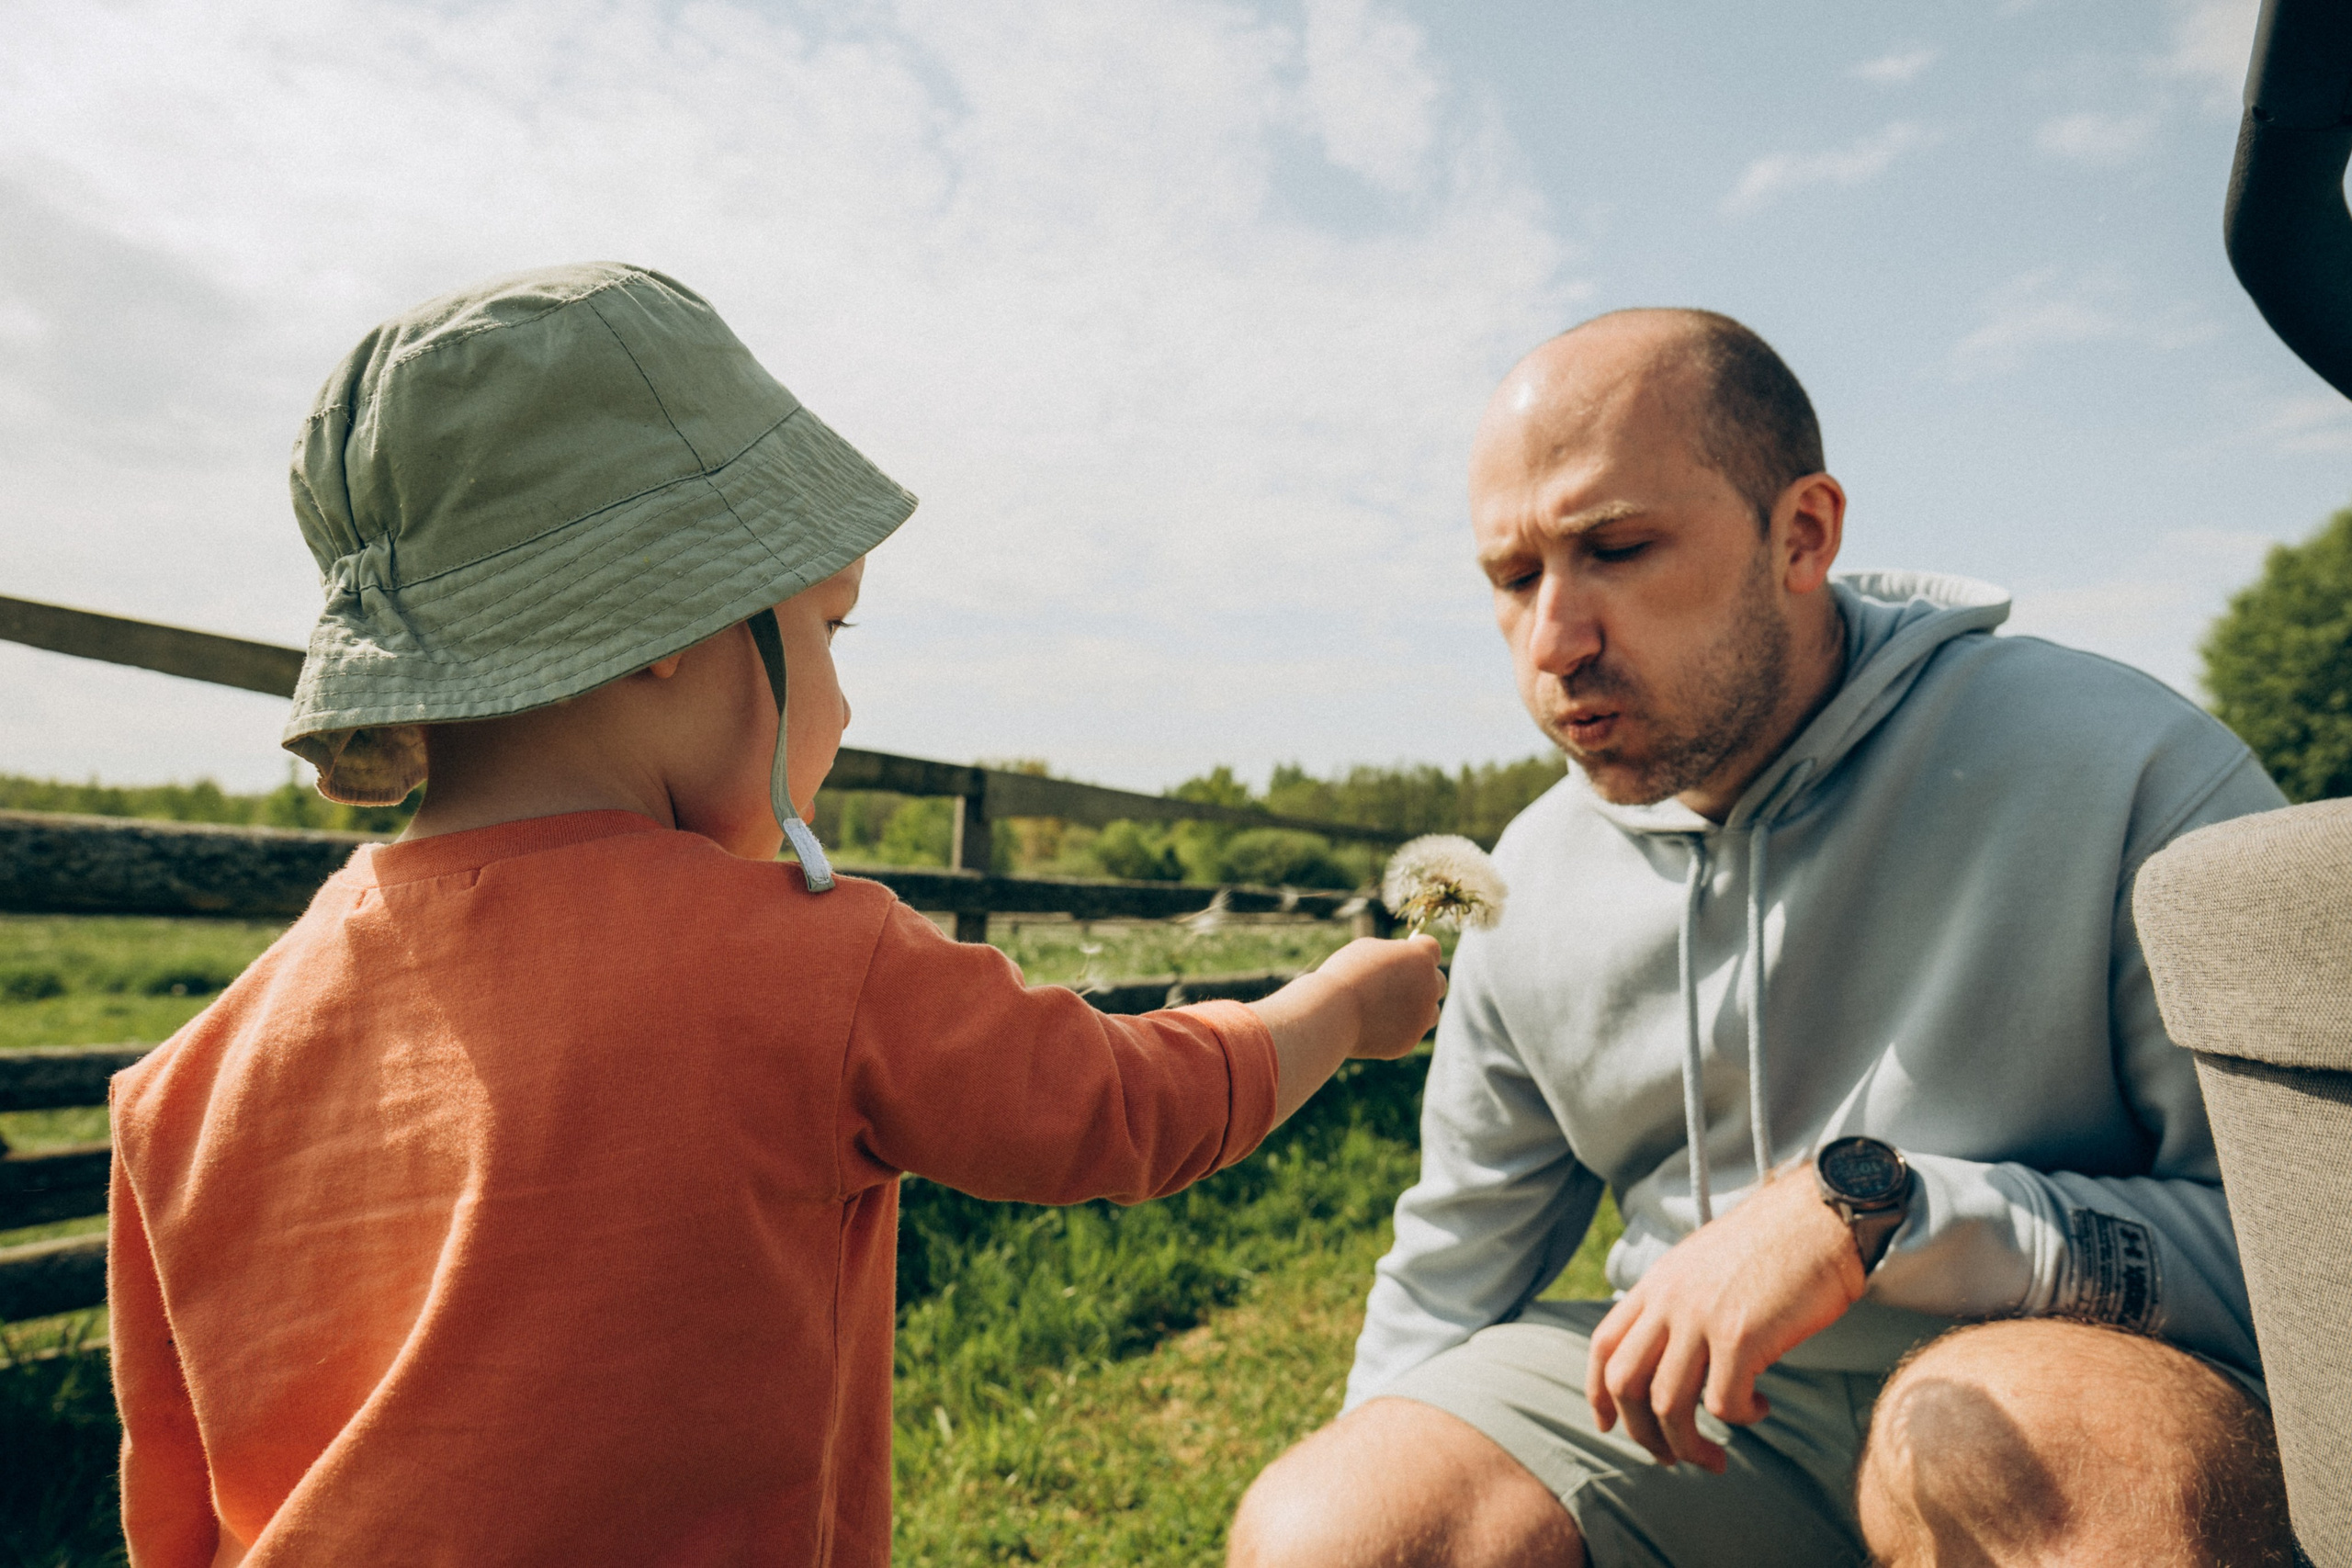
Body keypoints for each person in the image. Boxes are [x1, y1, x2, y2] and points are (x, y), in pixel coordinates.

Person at [103, 263, 1447, 1567]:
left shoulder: (186, 1086)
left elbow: (177, 1503)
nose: (844, 708)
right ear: (666, 621)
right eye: (829, 630)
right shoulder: (809, 965)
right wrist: (1332, 1009)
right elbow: (1118, 1108)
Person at [1227, 309, 2296, 1568]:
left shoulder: (2133, 773)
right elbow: (1457, 1259)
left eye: (1616, 548)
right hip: (1709, 1441)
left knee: (2001, 1447)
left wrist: (1887, 1210)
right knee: (1335, 1532)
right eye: (1513, 581)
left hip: (2072, 1398)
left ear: (1803, 534)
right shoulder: (1528, 879)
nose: (1554, 644)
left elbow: (2304, 1257)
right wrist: (1371, 1463)